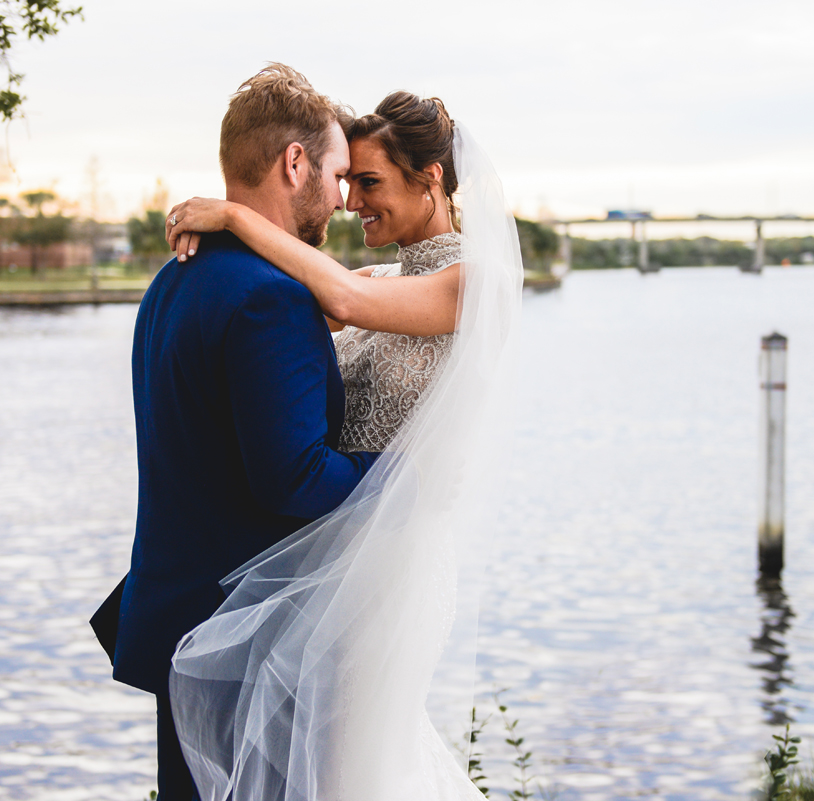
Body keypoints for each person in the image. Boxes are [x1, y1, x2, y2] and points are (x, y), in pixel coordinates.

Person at [163, 90, 524, 801]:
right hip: (324, 565)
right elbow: (276, 312)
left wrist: (233, 213)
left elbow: (346, 306)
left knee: (348, 772)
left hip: (391, 569)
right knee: (321, 773)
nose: (353, 201)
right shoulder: (374, 279)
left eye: (371, 182)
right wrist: (222, 248)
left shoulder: (476, 284)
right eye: (348, 180)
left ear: (432, 180)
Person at [99, 64, 380, 801]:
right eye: (338, 173)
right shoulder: (271, 300)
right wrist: (397, 464)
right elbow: (294, 478)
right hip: (248, 647)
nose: (345, 200)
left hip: (180, 628)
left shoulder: (172, 282)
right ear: (295, 164)